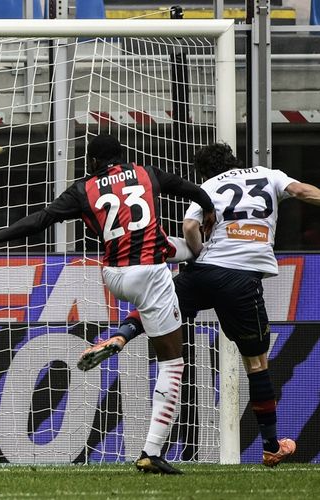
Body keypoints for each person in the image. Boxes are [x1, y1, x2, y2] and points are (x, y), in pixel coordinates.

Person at [0, 134, 215, 474]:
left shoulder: (82, 189)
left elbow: (39, 221)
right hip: (150, 273)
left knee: (175, 249)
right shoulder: (147, 173)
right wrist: (208, 211)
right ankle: (151, 451)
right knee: (173, 363)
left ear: (92, 162)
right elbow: (194, 192)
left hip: (113, 275)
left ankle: (122, 335)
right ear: (122, 156)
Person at [78, 142, 318, 467]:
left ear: (203, 172)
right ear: (235, 160)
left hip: (203, 271)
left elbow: (190, 227)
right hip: (241, 278)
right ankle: (271, 446)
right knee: (257, 364)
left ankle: (121, 334)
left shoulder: (208, 186)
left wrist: (199, 253)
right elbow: (303, 191)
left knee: (160, 300)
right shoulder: (267, 174)